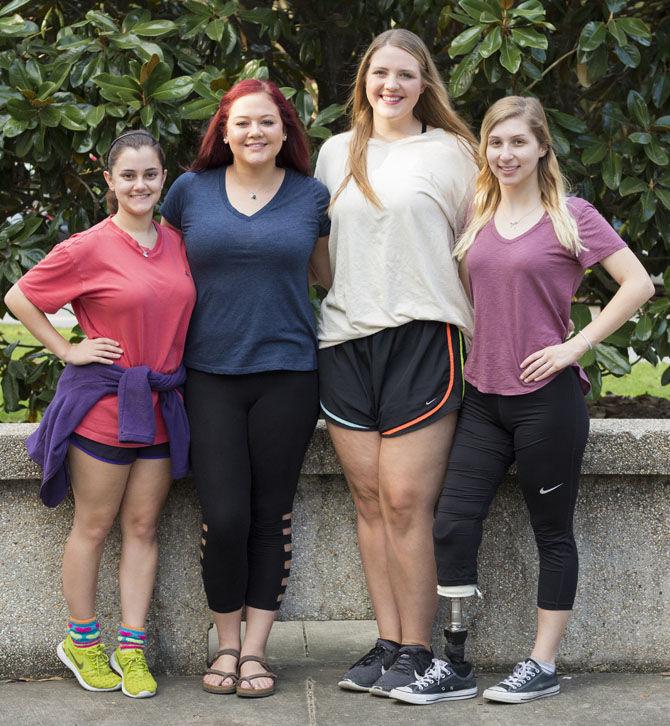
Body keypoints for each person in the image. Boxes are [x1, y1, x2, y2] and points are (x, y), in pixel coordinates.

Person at [390, 96, 655, 705]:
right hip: (483, 396)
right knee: (452, 524)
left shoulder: (571, 215)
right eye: (495, 142)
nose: (505, 154)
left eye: (517, 143)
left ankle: (542, 663)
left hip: (547, 399)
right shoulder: (476, 215)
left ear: (541, 149)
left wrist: (576, 346)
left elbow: (638, 283)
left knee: (552, 533)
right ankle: (454, 664)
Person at [314, 28, 478, 696]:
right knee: (371, 500)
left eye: (405, 75)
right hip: (346, 342)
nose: (391, 85)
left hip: (423, 337)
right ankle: (387, 642)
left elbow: (478, 252)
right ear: (364, 81)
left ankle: (419, 646)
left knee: (408, 499)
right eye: (380, 73)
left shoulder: (455, 153)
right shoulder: (333, 153)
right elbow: (318, 253)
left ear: (424, 84)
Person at [4, 130, 196, 699]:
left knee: (142, 527)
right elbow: (20, 296)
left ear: (165, 179)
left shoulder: (177, 242)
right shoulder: (87, 246)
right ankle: (82, 643)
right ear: (109, 181)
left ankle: (131, 649)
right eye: (128, 175)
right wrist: (67, 349)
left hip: (160, 405)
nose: (141, 185)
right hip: (105, 407)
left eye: (151, 175)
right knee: (93, 526)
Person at [160, 78, 330, 698]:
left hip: (288, 374)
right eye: (242, 123)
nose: (254, 132)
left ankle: (255, 651)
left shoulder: (312, 197)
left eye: (267, 122)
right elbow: (159, 268)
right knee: (225, 515)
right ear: (223, 132)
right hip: (208, 375)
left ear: (286, 131)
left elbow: (327, 277)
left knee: (270, 516)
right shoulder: (189, 192)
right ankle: (224, 643)